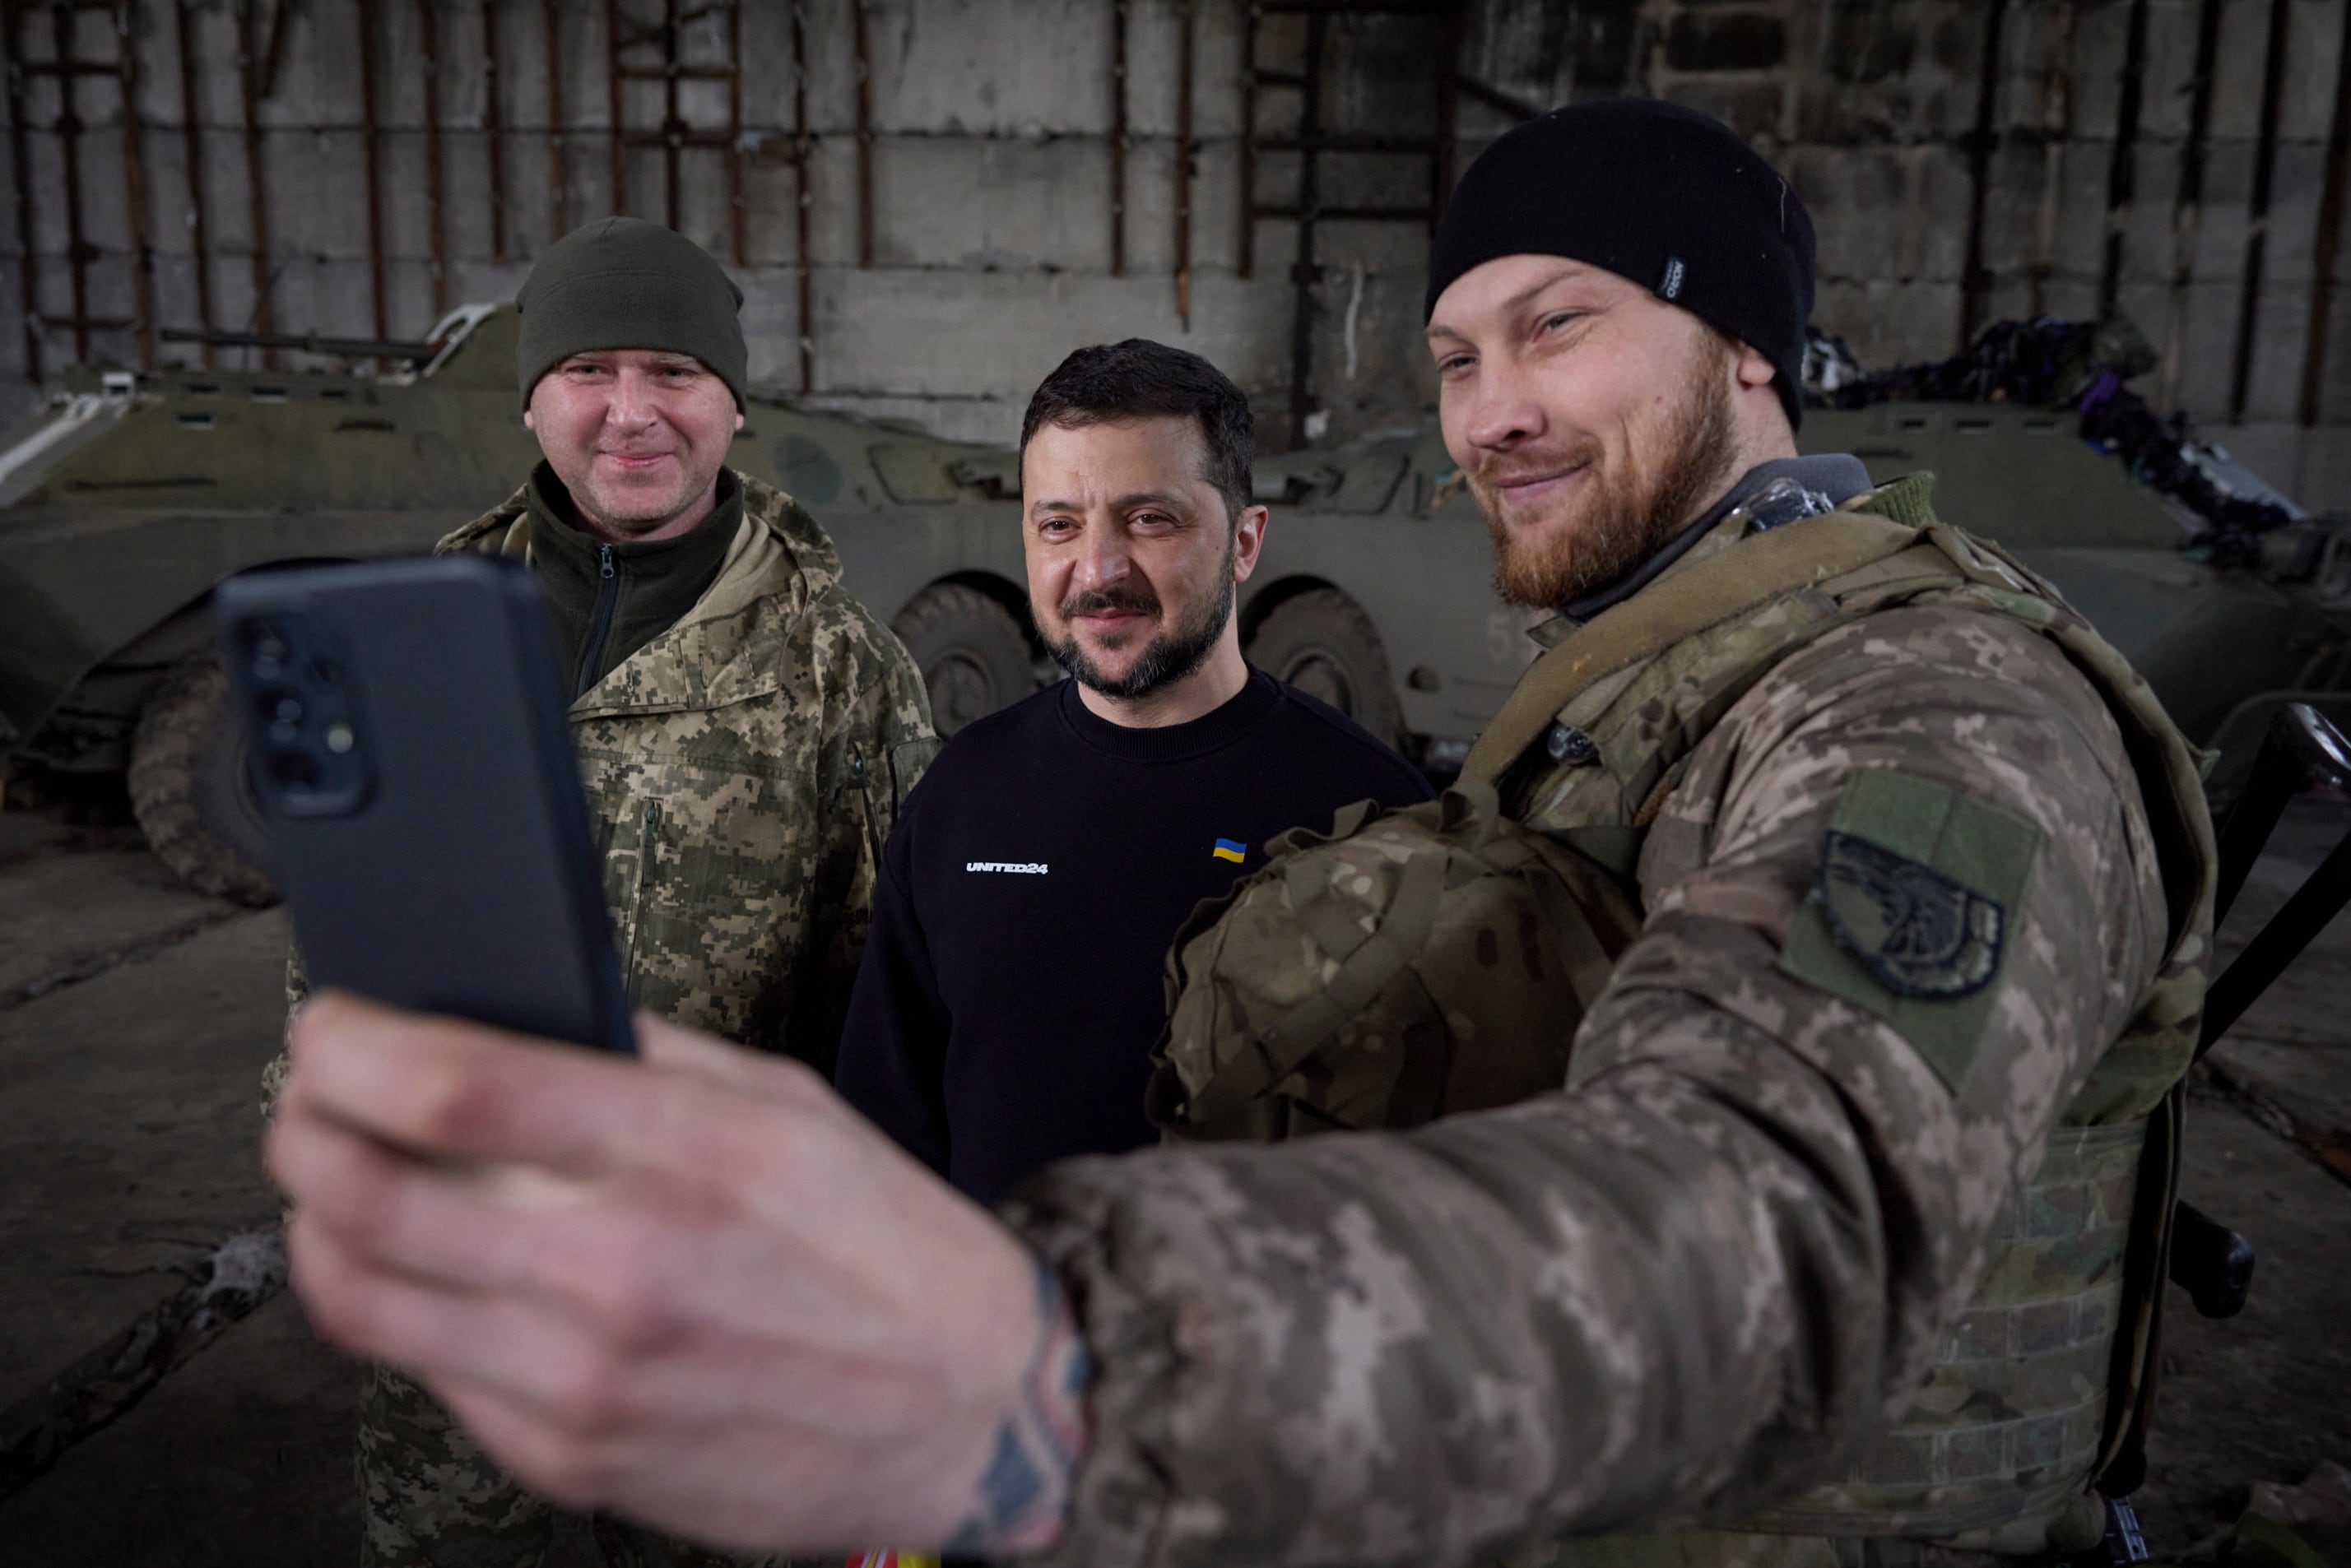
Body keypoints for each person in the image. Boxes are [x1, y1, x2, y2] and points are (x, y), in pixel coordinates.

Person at [263, 102, 2219, 1568]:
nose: (1494, 415)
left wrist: (1047, 1362)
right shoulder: (1631, 695)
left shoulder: (1928, 707)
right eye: (1458, 359)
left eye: (1562, 330)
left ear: (1752, 350)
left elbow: (1776, 1216)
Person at [264, 216, 937, 1568]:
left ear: (734, 403)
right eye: (590, 371)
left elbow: (888, 1001)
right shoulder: (420, 630)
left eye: (673, 372)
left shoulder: (838, 670)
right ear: (530, 397)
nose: (632, 415)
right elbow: (335, 952)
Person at [834, 340, 1432, 1206]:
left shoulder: (1369, 809)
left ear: (1245, 540)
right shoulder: (963, 794)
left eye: (1150, 519)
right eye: (1059, 524)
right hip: (1004, 1330)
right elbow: (882, 1135)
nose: (1099, 570)